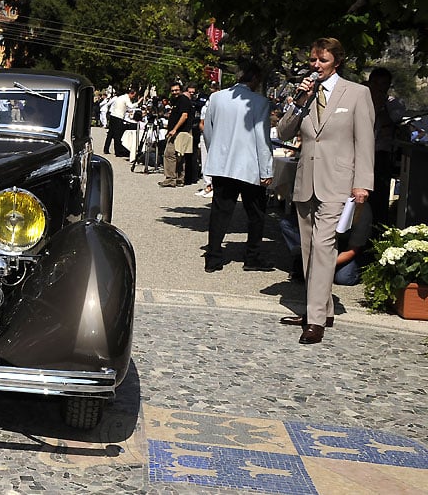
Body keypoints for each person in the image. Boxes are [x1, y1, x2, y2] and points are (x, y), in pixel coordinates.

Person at [277, 37, 375, 345]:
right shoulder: (305, 94)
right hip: (307, 181)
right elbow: (283, 132)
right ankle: (324, 309)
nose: (315, 65)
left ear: (337, 62)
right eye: (312, 60)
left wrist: (363, 183)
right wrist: (297, 101)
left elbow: (365, 142)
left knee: (322, 246)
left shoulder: (357, 94)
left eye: (322, 60)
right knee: (309, 250)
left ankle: (315, 319)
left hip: (339, 184)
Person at [202, 61, 274, 273]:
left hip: (223, 163)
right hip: (249, 165)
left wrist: (214, 152)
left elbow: (208, 130)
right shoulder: (259, 102)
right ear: (254, 79)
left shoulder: (216, 97)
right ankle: (252, 255)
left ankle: (213, 256)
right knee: (256, 213)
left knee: (220, 211)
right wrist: (267, 169)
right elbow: (262, 139)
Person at [279, 201, 372, 287]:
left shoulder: (362, 212)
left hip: (348, 248)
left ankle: (362, 267)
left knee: (343, 278)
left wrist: (323, 264)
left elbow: (352, 250)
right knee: (286, 223)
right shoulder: (325, 201)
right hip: (323, 240)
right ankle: (304, 258)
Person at [367, 67, 406, 227]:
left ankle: (377, 230)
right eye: (375, 83)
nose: (378, 87)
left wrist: (381, 105)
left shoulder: (394, 104)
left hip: (381, 155)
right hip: (358, 154)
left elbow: (391, 123)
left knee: (379, 197)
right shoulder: (360, 101)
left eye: (383, 84)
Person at [159, 81, 194, 187]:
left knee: (169, 154)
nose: (174, 92)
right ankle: (179, 179)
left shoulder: (183, 100)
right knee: (179, 155)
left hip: (180, 132)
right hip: (179, 131)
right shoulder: (176, 100)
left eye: (176, 90)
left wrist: (174, 129)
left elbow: (184, 116)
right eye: (172, 90)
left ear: (181, 90)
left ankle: (170, 178)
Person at [103, 87, 137, 156]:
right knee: (117, 135)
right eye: (133, 95)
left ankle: (106, 149)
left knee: (110, 133)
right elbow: (131, 106)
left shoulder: (120, 97)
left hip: (113, 115)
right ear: (131, 93)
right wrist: (138, 102)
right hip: (118, 117)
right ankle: (117, 152)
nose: (133, 97)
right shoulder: (126, 98)